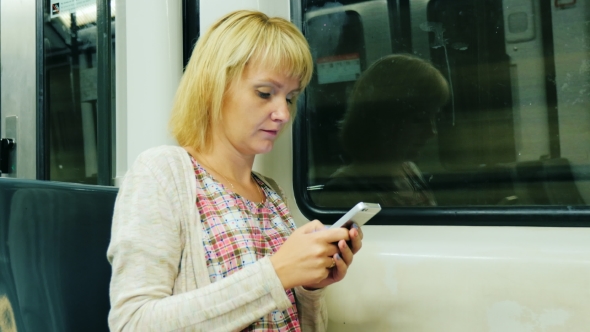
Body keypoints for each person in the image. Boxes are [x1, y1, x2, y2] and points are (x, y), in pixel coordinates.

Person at [106, 10, 363, 332]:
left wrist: (309, 286)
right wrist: (277, 273)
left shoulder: (271, 193)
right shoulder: (163, 173)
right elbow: (132, 323)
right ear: (214, 86)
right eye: (265, 93)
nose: (283, 113)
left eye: (291, 97)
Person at [317, 54, 449, 208]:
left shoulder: (409, 171)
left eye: (432, 118)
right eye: (418, 119)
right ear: (384, 120)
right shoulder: (344, 191)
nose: (431, 132)